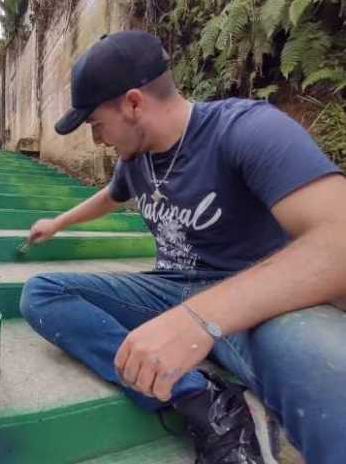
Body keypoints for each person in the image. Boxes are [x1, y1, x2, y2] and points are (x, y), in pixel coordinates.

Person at [19, 30, 346, 464]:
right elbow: (110, 196)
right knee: (42, 292)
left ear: (134, 103)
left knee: (324, 367)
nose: (97, 139)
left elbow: (338, 237)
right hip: (170, 289)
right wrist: (57, 223)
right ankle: (204, 399)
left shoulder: (247, 130)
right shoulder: (134, 160)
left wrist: (200, 319)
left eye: (97, 125)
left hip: (252, 304)